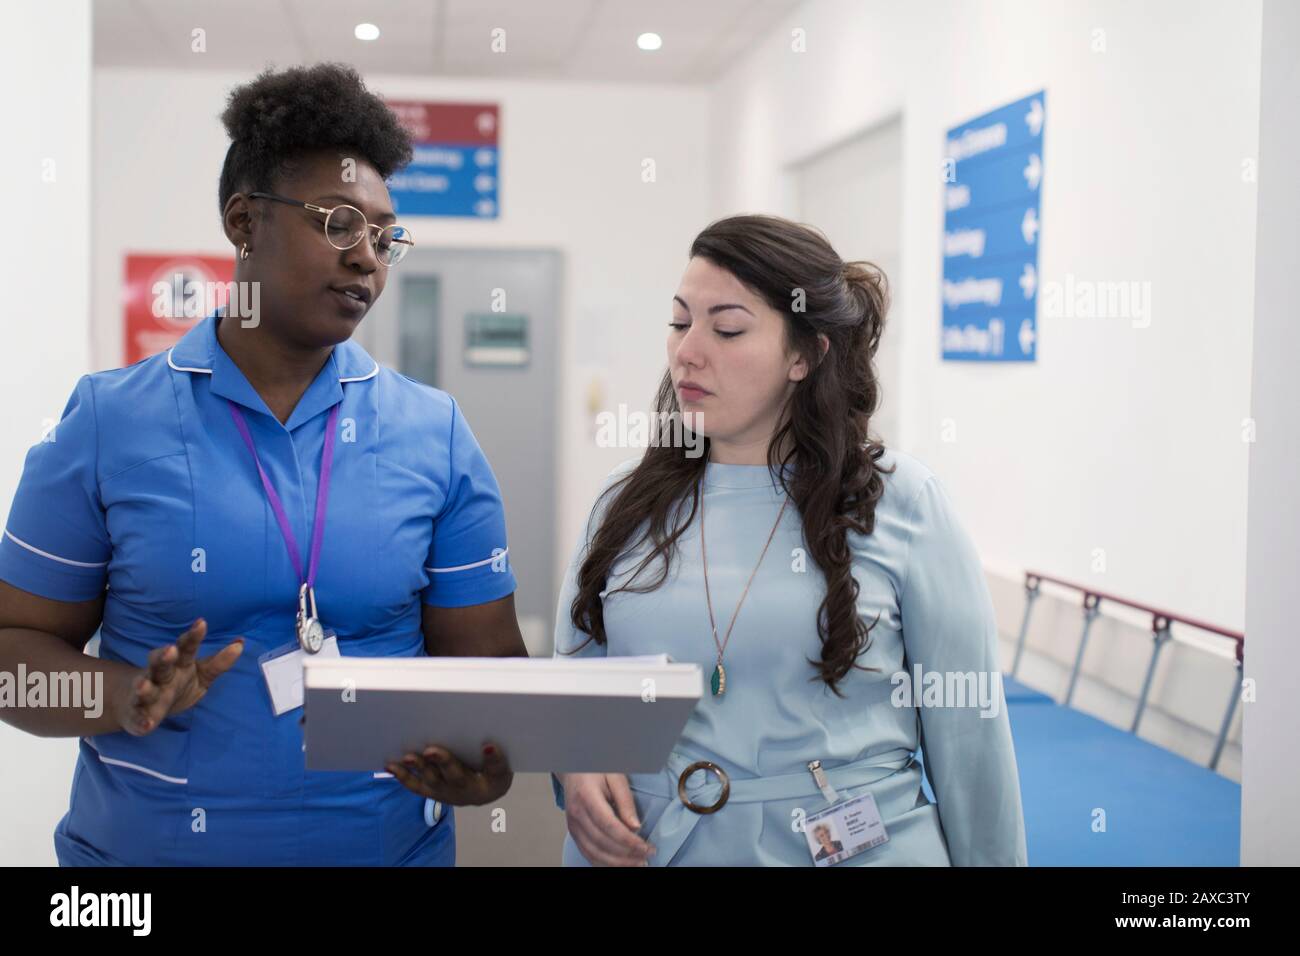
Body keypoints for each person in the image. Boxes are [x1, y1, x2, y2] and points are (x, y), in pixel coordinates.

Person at [0, 63, 523, 866]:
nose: (368, 261)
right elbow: (15, 652)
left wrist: (486, 770)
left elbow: (487, 675)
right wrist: (121, 697)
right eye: (341, 224)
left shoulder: (434, 431)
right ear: (244, 221)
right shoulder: (112, 422)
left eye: (385, 238)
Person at [552, 214, 1028, 866]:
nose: (688, 350)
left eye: (727, 328)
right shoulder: (624, 503)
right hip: (652, 848)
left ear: (806, 354)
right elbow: (573, 681)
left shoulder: (901, 504)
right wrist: (577, 761)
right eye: (679, 321)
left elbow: (970, 742)